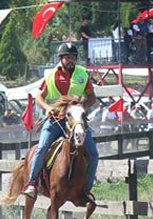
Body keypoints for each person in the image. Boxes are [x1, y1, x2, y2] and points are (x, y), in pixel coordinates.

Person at [22, 42, 99, 201]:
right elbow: (39, 97)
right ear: (61, 59)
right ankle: (32, 184)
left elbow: (92, 97)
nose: (70, 60)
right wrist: (47, 107)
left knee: (93, 153)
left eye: (73, 57)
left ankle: (86, 190)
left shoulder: (82, 74)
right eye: (67, 57)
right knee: (42, 147)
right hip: (55, 121)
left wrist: (83, 106)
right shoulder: (50, 76)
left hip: (76, 121)